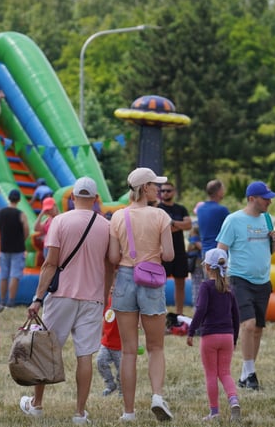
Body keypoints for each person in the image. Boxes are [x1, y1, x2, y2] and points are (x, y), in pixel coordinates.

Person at [21, 176, 113, 423]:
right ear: (95, 199)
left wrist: (37, 298)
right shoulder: (105, 226)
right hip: (92, 297)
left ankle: (37, 405)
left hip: (61, 295)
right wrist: (104, 297)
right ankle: (80, 413)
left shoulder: (59, 221)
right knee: (85, 356)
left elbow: (50, 263)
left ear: (72, 198)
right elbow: (109, 264)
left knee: (47, 350)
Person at [109, 168, 175, 422]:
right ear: (145, 187)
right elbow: (168, 255)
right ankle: (157, 396)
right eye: (155, 184)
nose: (158, 188)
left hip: (125, 279)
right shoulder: (160, 216)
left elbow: (114, 258)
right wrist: (154, 251)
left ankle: (128, 412)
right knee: (155, 347)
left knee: (128, 351)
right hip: (151, 279)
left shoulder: (117, 217)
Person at [216, 181, 275, 391]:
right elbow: (221, 250)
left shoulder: (267, 219)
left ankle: (247, 374)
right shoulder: (233, 220)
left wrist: (274, 242)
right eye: (265, 198)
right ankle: (250, 373)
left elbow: (269, 251)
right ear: (252, 198)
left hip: (263, 280)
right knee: (249, 325)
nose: (269, 201)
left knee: (258, 328)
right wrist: (220, 277)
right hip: (239, 278)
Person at [186, 248, 240, 422]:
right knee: (225, 372)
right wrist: (235, 338)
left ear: (207, 267)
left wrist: (191, 330)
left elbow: (201, 309)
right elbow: (236, 315)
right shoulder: (228, 288)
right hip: (228, 336)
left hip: (210, 336)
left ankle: (214, 412)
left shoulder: (205, 286)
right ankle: (233, 400)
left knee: (211, 374)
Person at [158, 181, 192, 316]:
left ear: (174, 192)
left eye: (168, 190)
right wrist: (178, 225)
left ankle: (179, 313)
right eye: (163, 191)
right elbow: (164, 228)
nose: (165, 193)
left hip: (179, 251)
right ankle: (160, 311)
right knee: (160, 284)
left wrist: (172, 223)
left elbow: (189, 225)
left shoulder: (181, 208)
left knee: (180, 282)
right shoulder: (158, 208)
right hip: (162, 251)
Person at [195, 180, 230, 306]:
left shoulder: (200, 209)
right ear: (219, 191)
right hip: (220, 252)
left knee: (209, 284)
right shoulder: (222, 210)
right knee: (223, 285)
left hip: (206, 252)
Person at [0, 189, 29, 307]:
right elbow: (26, 230)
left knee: (4, 275)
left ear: (9, 198)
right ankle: (11, 301)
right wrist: (22, 240)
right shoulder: (21, 214)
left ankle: (2, 300)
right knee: (14, 275)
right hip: (18, 248)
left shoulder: (0, 213)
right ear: (19, 200)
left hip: (4, 247)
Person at [97, 296, 122, 397]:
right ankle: (110, 384)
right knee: (100, 361)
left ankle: (122, 390)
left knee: (122, 370)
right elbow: (106, 319)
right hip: (107, 342)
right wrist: (102, 334)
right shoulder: (108, 299)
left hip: (121, 345)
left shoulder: (126, 301)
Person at [33, 196, 59, 265]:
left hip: (55, 248)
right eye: (46, 210)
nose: (49, 212)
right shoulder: (48, 219)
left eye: (50, 209)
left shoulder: (61, 218)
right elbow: (36, 228)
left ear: (55, 206)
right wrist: (41, 214)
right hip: (47, 247)